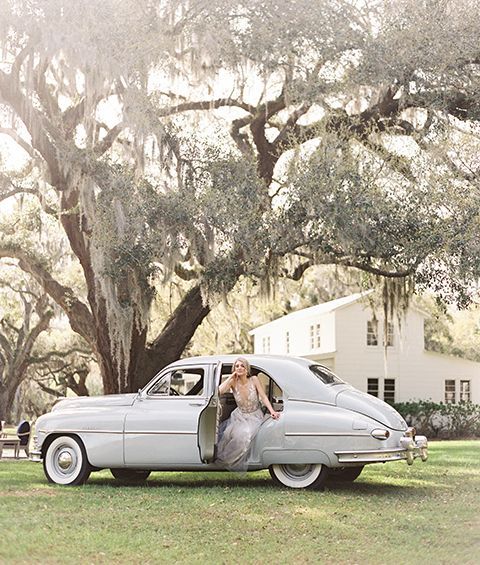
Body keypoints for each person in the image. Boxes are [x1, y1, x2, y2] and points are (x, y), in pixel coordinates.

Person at [216, 357, 280, 471]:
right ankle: (226, 461)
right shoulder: (233, 382)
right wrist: (230, 377)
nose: (239, 368)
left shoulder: (254, 379)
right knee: (227, 434)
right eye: (237, 366)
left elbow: (263, 397)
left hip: (254, 415)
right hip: (239, 416)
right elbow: (218, 392)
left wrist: (272, 411)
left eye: (242, 366)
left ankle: (237, 460)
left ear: (246, 369)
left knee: (244, 434)